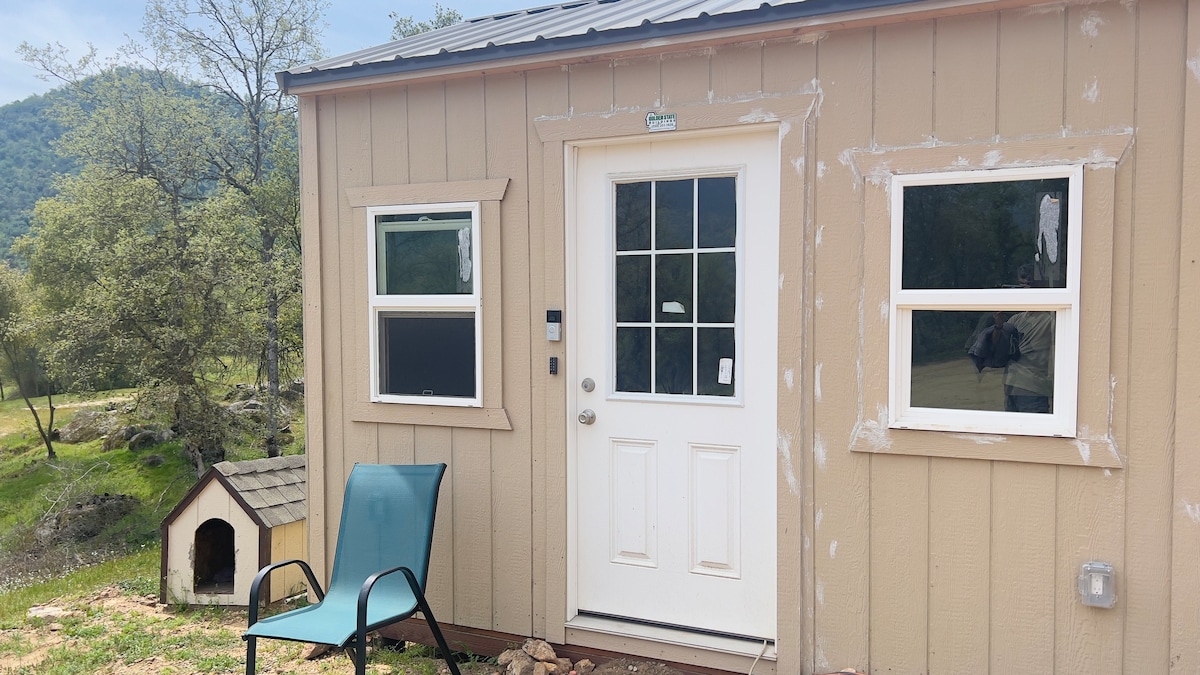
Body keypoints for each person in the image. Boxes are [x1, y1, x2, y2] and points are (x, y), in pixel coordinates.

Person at [1003, 264, 1053, 413]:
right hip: (1011, 387)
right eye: (1021, 286)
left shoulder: (1051, 318)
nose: (1023, 291)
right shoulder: (1016, 319)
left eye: (1028, 286)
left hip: (1034, 389)